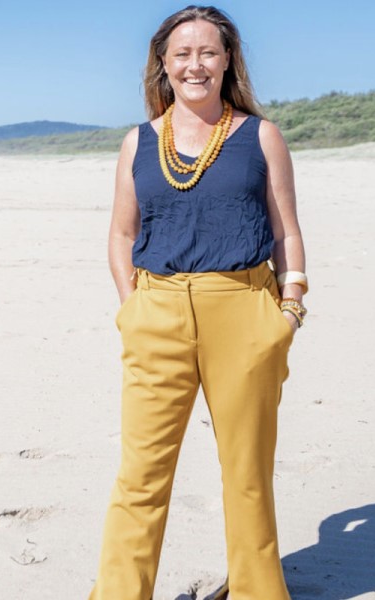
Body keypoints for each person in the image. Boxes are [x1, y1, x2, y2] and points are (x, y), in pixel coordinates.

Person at [91, 5, 307, 600]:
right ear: (162, 64)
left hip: (244, 311)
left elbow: (286, 230)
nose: (196, 65)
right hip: (156, 313)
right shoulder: (137, 142)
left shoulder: (260, 136)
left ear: (227, 60)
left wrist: (290, 309)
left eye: (208, 52)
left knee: (247, 474)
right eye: (182, 53)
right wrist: (131, 308)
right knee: (141, 474)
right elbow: (121, 233)